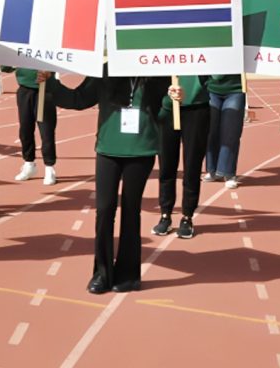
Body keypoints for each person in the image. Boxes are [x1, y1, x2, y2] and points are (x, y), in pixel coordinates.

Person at [47, 70, 181, 294]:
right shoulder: (104, 70)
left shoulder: (157, 73)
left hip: (141, 150)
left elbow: (164, 116)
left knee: (131, 211)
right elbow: (78, 99)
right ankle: (102, 273)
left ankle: (129, 276)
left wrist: (172, 100)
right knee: (104, 209)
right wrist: (50, 83)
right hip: (108, 149)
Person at [152, 75, 210, 239]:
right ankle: (165, 214)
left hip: (197, 108)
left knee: (192, 165)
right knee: (166, 165)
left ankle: (187, 216)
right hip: (167, 108)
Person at [1, 67, 57, 185]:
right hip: (24, 89)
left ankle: (49, 166)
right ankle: (29, 163)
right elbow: (6, 67)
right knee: (25, 129)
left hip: (44, 89)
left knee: (46, 130)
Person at [203, 74, 245, 189]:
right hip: (211, 90)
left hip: (235, 90)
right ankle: (212, 170)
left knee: (231, 132)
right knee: (210, 131)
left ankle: (229, 173)